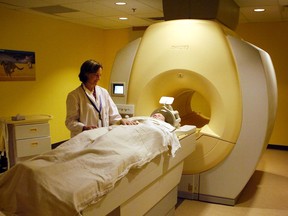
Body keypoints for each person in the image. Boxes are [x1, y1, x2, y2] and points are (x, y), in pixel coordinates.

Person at [65, 59, 137, 137]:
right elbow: (70, 122)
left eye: (100, 75)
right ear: (86, 74)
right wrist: (83, 127)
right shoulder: (74, 95)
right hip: (84, 137)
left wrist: (121, 120)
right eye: (96, 75)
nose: (99, 78)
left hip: (103, 136)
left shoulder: (103, 92)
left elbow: (113, 114)